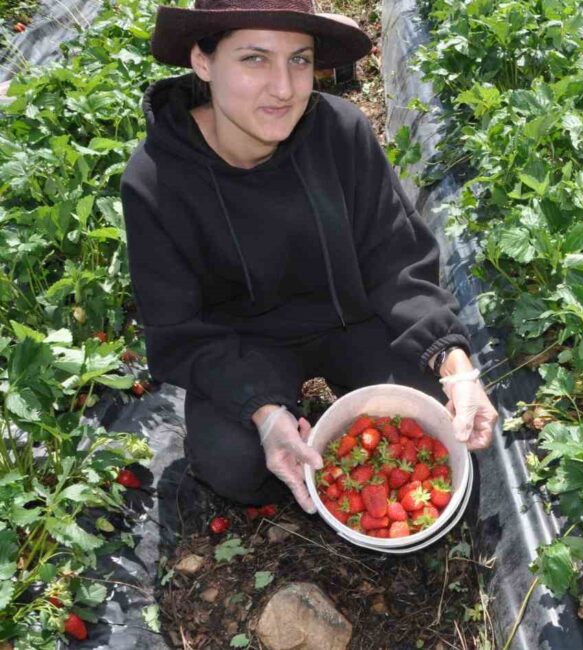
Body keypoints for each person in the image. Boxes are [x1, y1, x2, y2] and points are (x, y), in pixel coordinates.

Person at [120, 0, 497, 514]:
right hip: (245, 344)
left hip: (352, 320)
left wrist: (455, 365)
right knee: (231, 462)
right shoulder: (156, 181)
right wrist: (264, 411)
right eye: (255, 59)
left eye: (299, 59)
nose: (284, 87)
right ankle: (287, 427)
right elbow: (179, 329)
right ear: (203, 62)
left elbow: (396, 258)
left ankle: (354, 405)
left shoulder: (339, 132)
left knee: (432, 414)